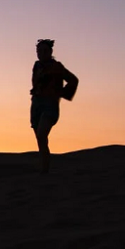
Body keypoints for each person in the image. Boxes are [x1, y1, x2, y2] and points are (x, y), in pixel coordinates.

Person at [30, 39, 79, 174]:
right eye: (39, 51)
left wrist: (62, 93)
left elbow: (73, 80)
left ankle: (44, 169)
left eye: (44, 51)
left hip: (50, 106)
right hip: (36, 105)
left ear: (50, 52)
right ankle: (44, 169)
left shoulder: (57, 67)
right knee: (41, 140)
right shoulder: (37, 66)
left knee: (41, 135)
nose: (41, 53)